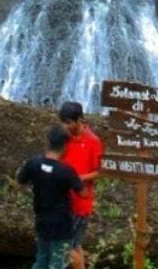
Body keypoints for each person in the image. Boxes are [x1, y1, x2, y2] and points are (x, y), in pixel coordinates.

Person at [16, 125, 84, 269]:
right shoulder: (66, 171)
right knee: (57, 264)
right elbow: (82, 193)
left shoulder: (33, 163)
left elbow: (18, 182)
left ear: (47, 142)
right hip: (62, 225)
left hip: (42, 220)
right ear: (65, 146)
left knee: (41, 261)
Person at [59, 101, 102, 269]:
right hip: (63, 200)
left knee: (68, 245)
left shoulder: (93, 141)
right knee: (74, 244)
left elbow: (100, 171)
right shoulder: (64, 138)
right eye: (63, 122)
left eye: (68, 122)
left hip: (81, 202)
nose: (65, 126)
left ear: (79, 120)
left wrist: (79, 178)